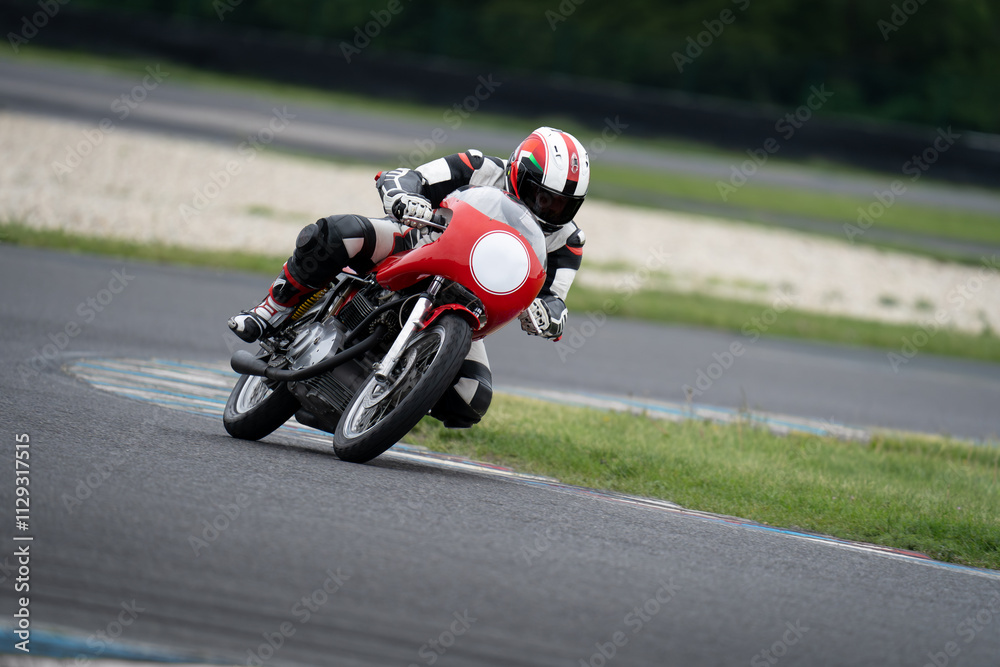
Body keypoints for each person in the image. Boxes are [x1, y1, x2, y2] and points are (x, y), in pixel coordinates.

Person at [228, 126, 590, 427]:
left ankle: (385, 403)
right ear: (517, 172)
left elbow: (556, 298)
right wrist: (405, 197)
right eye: (540, 195)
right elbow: (407, 176)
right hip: (417, 246)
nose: (547, 208)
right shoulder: (478, 166)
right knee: (339, 233)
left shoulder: (568, 239)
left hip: (472, 301)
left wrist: (549, 316)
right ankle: (271, 309)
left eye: (561, 204)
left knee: (470, 398)